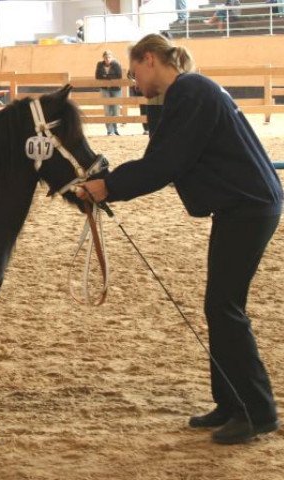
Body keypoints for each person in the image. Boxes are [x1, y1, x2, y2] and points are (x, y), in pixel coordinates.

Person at [76, 33, 282, 445]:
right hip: (244, 206)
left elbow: (165, 164)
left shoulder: (188, 91)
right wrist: (111, 182)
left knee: (224, 308)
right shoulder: (191, 91)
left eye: (134, 72)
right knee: (220, 307)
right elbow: (162, 157)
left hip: (248, 208)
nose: (134, 82)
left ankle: (256, 412)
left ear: (149, 59)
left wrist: (107, 188)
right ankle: (231, 402)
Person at [95, 50, 123, 136]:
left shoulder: (116, 64)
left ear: (112, 57)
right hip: (104, 89)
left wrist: (105, 76)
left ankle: (115, 129)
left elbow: (119, 75)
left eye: (109, 57)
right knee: (107, 109)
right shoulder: (99, 64)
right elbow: (97, 76)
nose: (107, 59)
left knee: (115, 109)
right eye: (106, 57)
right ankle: (109, 130)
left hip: (116, 89)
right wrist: (109, 77)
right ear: (103, 58)